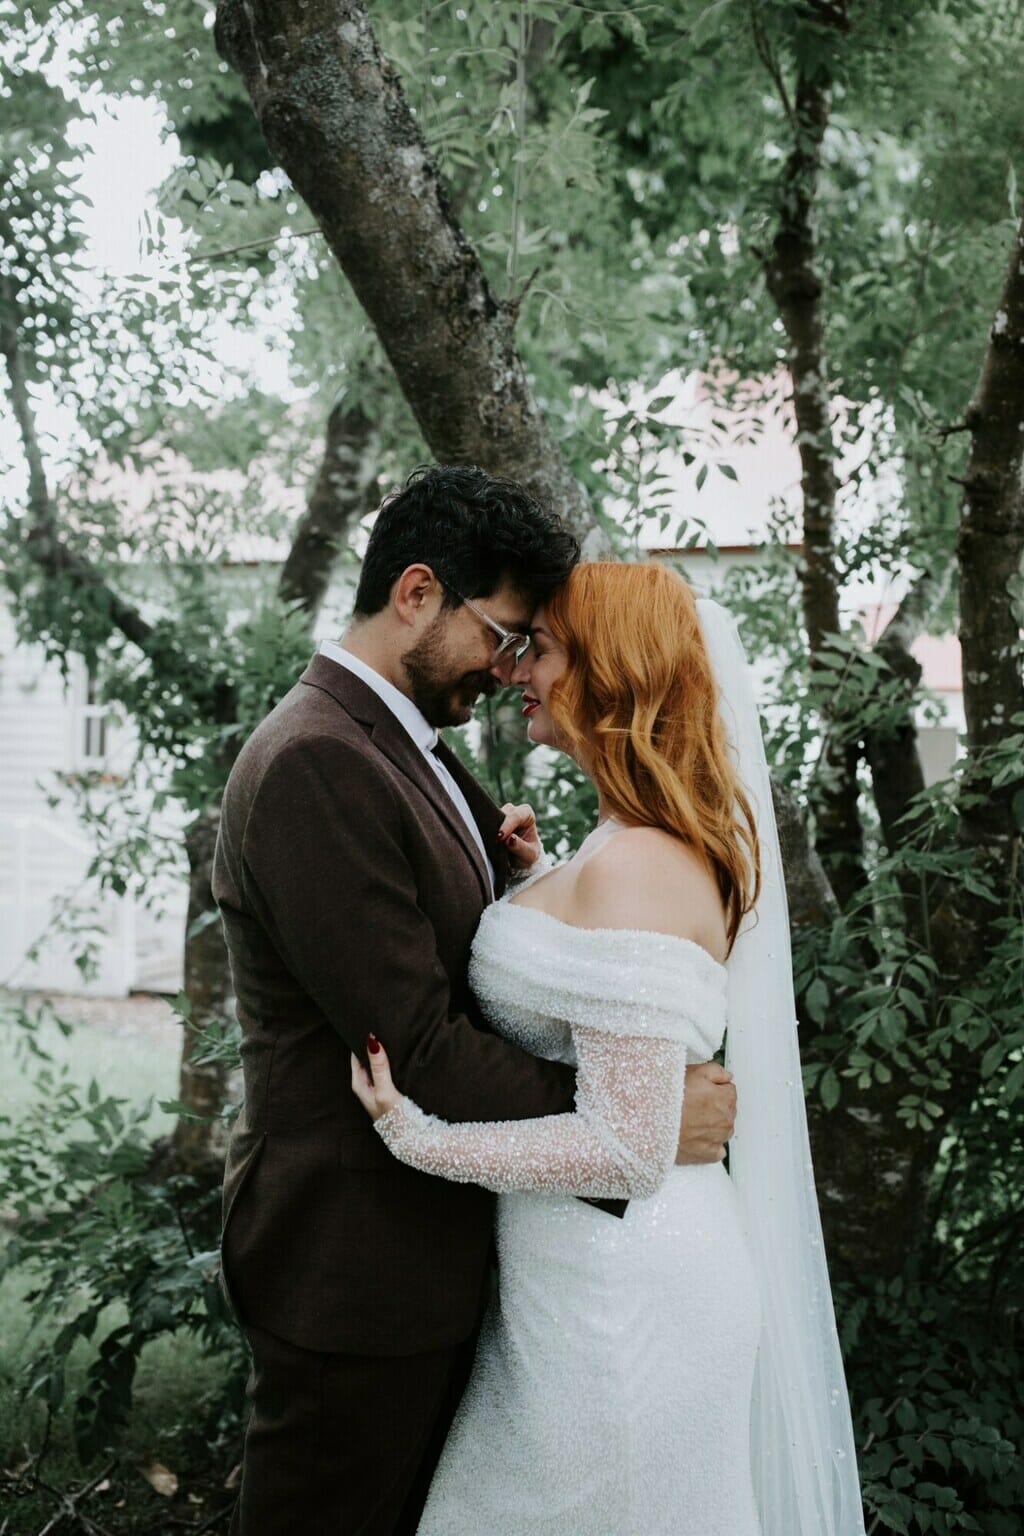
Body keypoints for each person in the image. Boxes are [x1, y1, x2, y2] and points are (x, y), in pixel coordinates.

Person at [211, 469, 738, 1536]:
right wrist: (634, 1114)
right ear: (416, 593)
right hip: (353, 1270)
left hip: (448, 1266)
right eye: (501, 635)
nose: (508, 671)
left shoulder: (408, 748)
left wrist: (529, 892)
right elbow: (415, 1047)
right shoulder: (317, 759)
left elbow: (442, 957)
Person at [352, 561, 866, 1535]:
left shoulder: (638, 864)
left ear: (607, 671)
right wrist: (539, 878)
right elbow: (602, 1006)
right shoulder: (619, 842)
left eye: (539, 650)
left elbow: (626, 1150)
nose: (516, 671)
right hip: (575, 1292)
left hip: (621, 1310)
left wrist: (424, 1141)